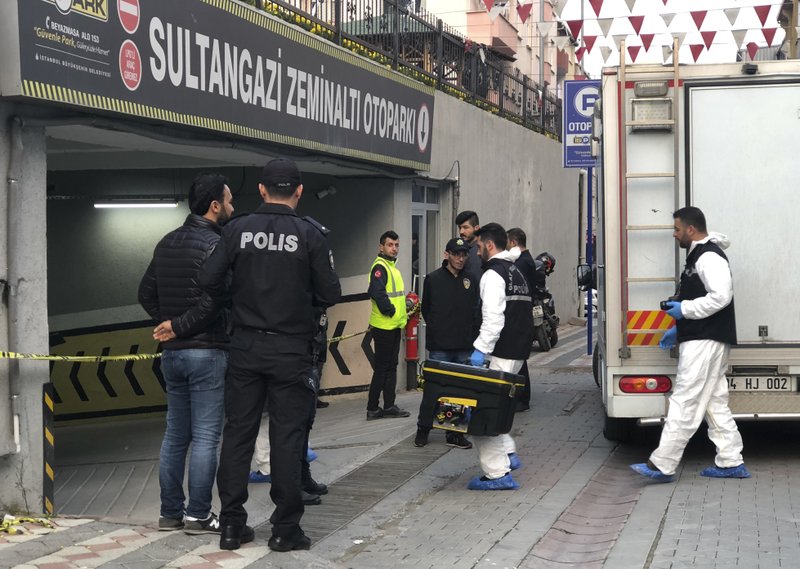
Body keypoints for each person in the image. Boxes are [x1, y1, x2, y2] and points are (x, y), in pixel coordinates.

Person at [201, 157, 341, 552]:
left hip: (245, 346)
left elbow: (208, 279)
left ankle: (231, 526)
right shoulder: (310, 235)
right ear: (298, 191)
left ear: (261, 190)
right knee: (287, 437)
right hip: (292, 349)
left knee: (238, 436)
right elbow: (331, 293)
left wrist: (238, 298)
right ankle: (285, 530)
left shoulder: (236, 229)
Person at [137, 173, 234, 534]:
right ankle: (198, 515)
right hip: (207, 351)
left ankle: (170, 514)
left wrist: (167, 325)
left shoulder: (167, 242)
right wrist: (179, 325)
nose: (231, 207)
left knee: (175, 436)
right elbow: (218, 299)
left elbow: (145, 293)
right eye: (228, 201)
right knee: (207, 437)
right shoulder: (217, 245)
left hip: (172, 356)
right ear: (214, 206)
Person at [631, 207, 749, 483]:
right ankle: (731, 460)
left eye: (677, 229)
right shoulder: (700, 255)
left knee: (684, 399)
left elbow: (721, 296)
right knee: (714, 402)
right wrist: (678, 325)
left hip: (703, 341)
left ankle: (663, 464)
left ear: (691, 230)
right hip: (706, 337)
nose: (675, 234)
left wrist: (685, 310)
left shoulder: (708, 256)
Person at [467, 223, 533, 490]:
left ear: (489, 245)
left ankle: (497, 474)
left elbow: (493, 319)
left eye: (479, 245)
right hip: (517, 353)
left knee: (484, 415)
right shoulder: (515, 271)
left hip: (501, 351)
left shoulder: (493, 275)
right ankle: (508, 453)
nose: (477, 251)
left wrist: (481, 349)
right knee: (499, 407)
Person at [413, 237, 479, 450]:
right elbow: (426, 309)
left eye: (463, 255)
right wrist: (435, 329)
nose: (460, 258)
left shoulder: (471, 279)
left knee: (460, 392)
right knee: (434, 390)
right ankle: (423, 429)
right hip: (440, 346)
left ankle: (455, 432)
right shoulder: (433, 279)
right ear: (446, 255)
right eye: (456, 254)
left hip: (463, 346)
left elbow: (476, 310)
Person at [366, 230, 411, 420]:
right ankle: (373, 408)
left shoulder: (392, 267)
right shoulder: (380, 266)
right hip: (384, 326)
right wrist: (390, 310)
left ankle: (389, 405)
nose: (394, 248)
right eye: (390, 245)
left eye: (396, 245)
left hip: (393, 326)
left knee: (390, 367)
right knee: (383, 368)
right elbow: (376, 292)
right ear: (381, 247)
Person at [506, 228, 535, 412]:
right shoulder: (525, 260)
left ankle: (522, 399)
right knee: (518, 359)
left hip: (519, 317)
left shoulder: (522, 263)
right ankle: (520, 398)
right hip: (521, 317)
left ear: (514, 242)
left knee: (518, 360)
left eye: (508, 243)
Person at [455, 210, 482, 284]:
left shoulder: (482, 251)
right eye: (460, 228)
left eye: (465, 227)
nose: (461, 232)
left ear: (476, 228)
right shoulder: (462, 249)